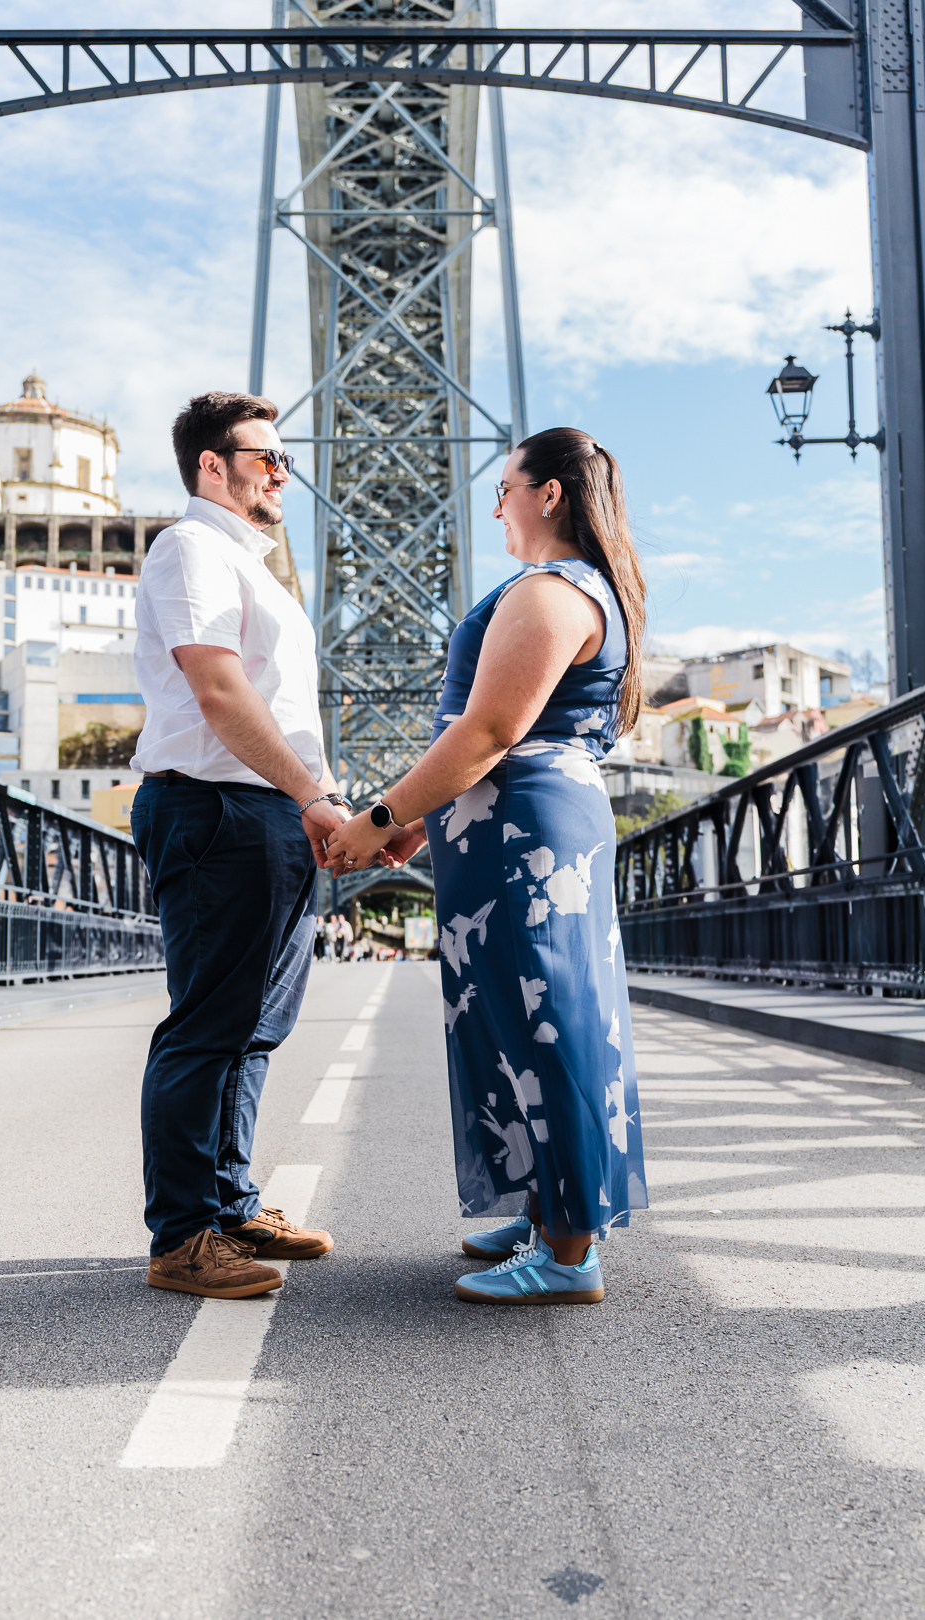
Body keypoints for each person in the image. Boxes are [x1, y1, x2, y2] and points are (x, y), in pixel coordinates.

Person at [326, 427, 648, 1305]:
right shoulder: (574, 590)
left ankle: (570, 1248)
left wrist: (383, 816)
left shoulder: (550, 592)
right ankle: (548, 1207)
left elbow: (492, 732)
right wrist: (428, 827)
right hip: (515, 824)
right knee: (519, 1011)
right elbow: (504, 737)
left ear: (548, 494)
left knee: (545, 1015)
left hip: (525, 834)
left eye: (505, 488)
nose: (497, 505)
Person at [130, 390, 350, 1300]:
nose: (281, 472)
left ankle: (228, 1204)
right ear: (210, 467)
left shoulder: (253, 567)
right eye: (265, 458)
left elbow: (284, 715)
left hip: (268, 812)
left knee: (255, 1030)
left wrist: (320, 802)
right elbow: (219, 694)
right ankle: (181, 1238)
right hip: (216, 808)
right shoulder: (189, 549)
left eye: (284, 458)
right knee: (208, 1029)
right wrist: (317, 797)